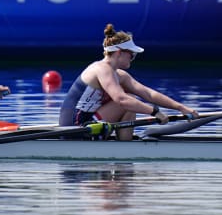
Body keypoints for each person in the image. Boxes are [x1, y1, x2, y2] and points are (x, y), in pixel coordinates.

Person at [58, 23, 199, 141]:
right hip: (75, 127)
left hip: (91, 123)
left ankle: (125, 147)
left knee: (132, 101)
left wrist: (181, 107)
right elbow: (121, 100)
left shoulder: (119, 75)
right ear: (119, 52)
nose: (133, 58)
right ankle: (125, 149)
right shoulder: (101, 69)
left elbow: (148, 94)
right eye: (131, 55)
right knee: (129, 101)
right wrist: (155, 112)